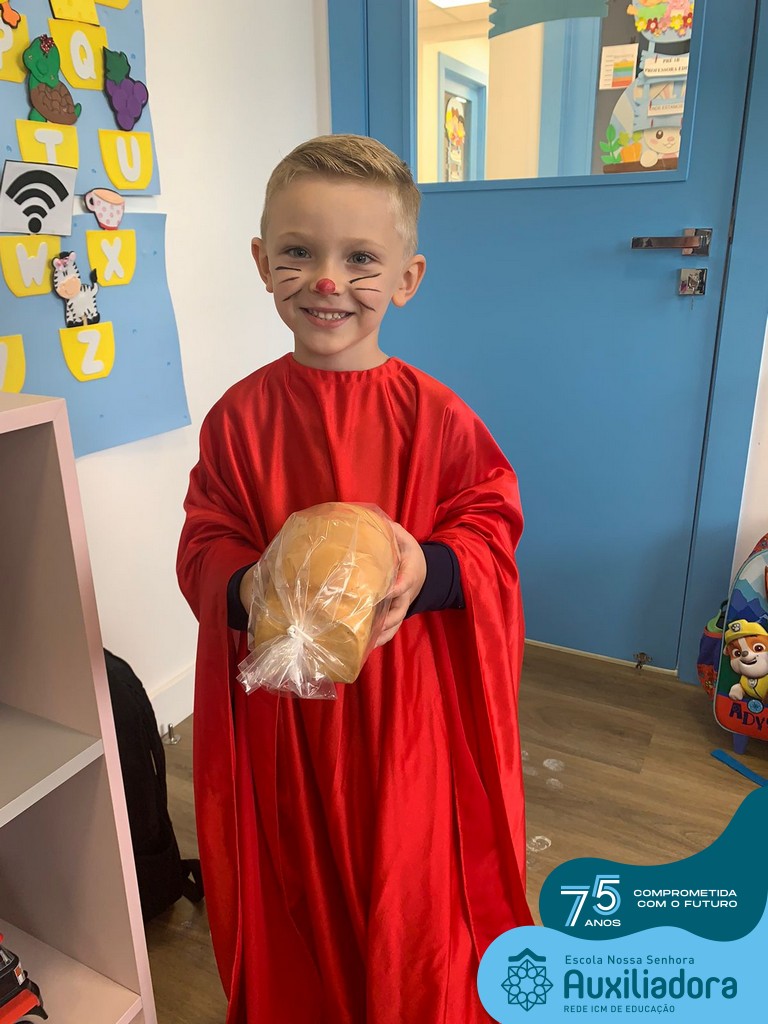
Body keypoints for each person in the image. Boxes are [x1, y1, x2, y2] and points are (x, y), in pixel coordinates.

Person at [177, 134, 532, 1024]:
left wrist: (425, 566)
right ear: (262, 262)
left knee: (408, 892)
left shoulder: (438, 418)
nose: (328, 281)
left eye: (361, 259)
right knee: (302, 887)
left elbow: (490, 530)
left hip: (406, 721)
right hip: (285, 723)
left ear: (407, 277)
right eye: (299, 251)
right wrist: (249, 585)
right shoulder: (238, 420)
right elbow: (204, 540)